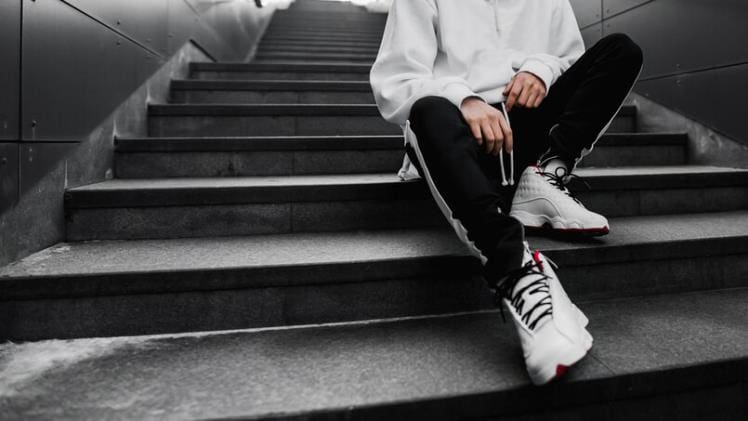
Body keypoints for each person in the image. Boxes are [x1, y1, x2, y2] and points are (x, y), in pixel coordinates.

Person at [370, 0, 643, 385]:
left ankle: (544, 175)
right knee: (428, 109)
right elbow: (396, 81)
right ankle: (516, 270)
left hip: (527, 130)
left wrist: (540, 70)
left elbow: (569, 58)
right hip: (460, 131)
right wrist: (464, 98)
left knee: (621, 50)